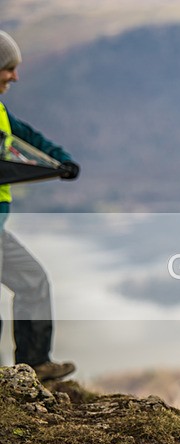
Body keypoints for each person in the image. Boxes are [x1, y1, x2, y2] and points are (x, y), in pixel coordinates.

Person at [0, 30, 80, 380]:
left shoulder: (0, 112)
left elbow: (28, 137)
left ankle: (33, 366)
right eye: (8, 68)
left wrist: (60, 160)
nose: (15, 76)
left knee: (33, 282)